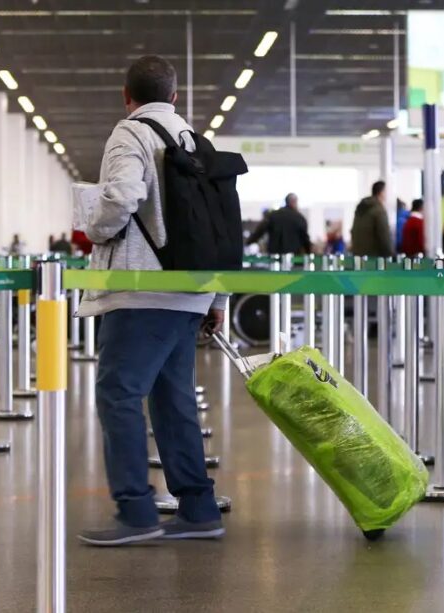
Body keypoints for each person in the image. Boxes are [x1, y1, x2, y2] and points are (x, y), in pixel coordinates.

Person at [77, 55, 225, 546]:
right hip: (189, 293)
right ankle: (199, 509)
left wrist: (93, 227)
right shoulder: (195, 141)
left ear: (127, 96)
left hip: (141, 291)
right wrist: (215, 297)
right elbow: (218, 225)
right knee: (172, 397)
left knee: (118, 394)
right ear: (176, 97)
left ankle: (136, 511)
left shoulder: (130, 134)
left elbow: (119, 197)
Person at [246, 193, 312, 255]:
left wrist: (248, 242)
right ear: (294, 202)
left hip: (274, 256)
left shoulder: (272, 215)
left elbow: (259, 231)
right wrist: (309, 252)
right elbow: (305, 239)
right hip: (293, 258)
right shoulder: (300, 218)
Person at [351, 181, 393, 257]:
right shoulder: (378, 210)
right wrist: (391, 255)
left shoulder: (361, 208)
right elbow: (384, 237)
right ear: (382, 192)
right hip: (374, 258)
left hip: (358, 256)